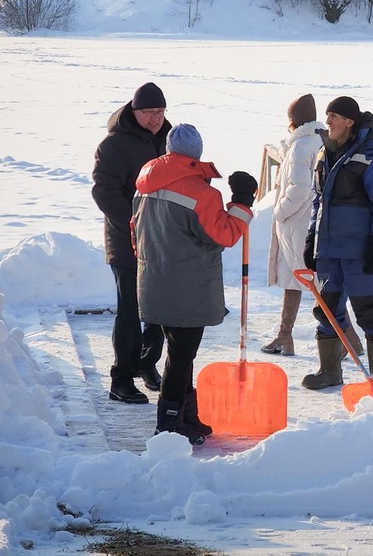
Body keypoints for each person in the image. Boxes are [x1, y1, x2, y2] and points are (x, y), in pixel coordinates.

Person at [131, 123, 257, 445]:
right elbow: (225, 234)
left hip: (153, 282)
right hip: (187, 288)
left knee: (180, 352)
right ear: (196, 154)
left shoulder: (144, 184)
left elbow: (135, 233)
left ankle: (186, 417)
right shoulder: (203, 194)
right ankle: (169, 424)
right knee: (181, 355)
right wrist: (242, 202)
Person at [301, 96, 373, 390]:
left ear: (349, 122)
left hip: (359, 248)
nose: (327, 121)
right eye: (327, 114)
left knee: (370, 309)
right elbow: (318, 201)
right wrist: (311, 237)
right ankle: (329, 371)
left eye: (334, 116)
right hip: (329, 247)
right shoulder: (324, 151)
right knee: (326, 308)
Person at [262, 94, 364, 357]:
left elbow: (299, 188)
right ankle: (285, 335)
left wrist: (280, 211)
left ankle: (350, 340)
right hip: (312, 222)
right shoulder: (322, 140)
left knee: (319, 284)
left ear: (293, 121)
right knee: (295, 279)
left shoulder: (300, 146)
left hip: (297, 225)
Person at [92, 82, 170, 405]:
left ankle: (147, 363)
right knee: (130, 309)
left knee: (160, 306)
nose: (156, 118)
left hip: (162, 238)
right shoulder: (113, 146)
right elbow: (104, 192)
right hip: (126, 240)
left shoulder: (168, 139)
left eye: (160, 111)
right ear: (134, 111)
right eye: (149, 112)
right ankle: (121, 378)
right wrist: (136, 221)